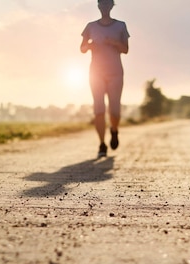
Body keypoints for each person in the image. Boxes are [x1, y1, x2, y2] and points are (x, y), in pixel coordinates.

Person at [80, 0, 130, 158]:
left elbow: (126, 49)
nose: (104, 7)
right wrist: (89, 45)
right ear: (98, 6)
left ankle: (114, 130)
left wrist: (114, 42)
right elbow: (82, 48)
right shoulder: (90, 26)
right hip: (96, 73)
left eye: (108, 4)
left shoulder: (121, 26)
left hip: (115, 73)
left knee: (114, 110)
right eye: (102, 4)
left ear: (112, 6)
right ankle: (102, 144)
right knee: (99, 110)